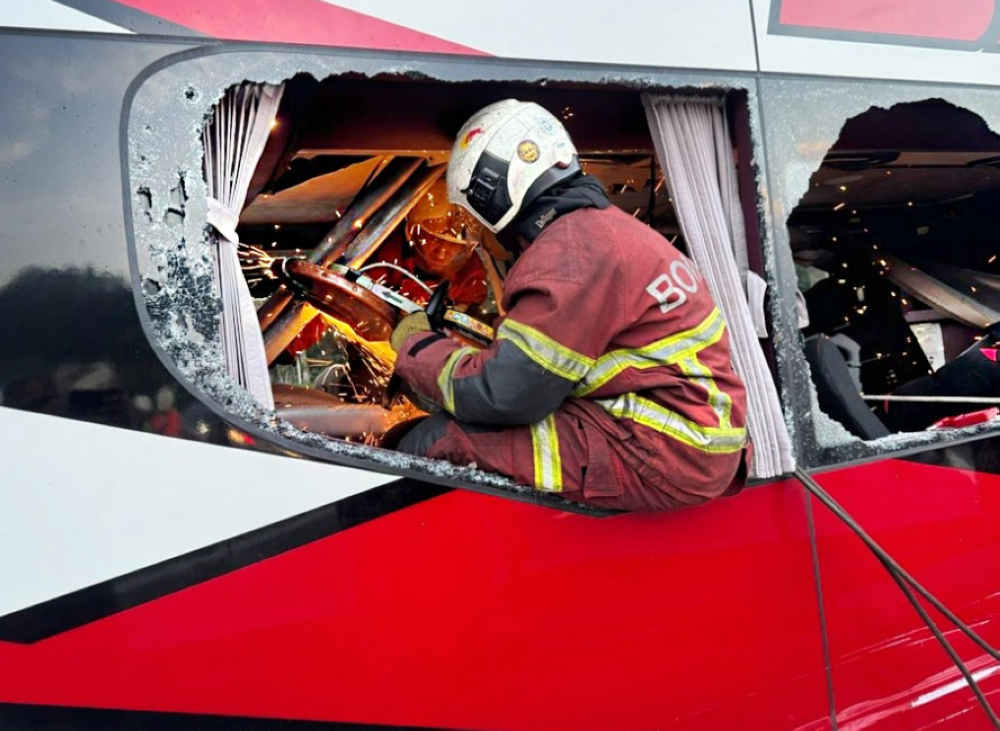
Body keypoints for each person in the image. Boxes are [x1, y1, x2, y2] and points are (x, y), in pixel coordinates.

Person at [390, 99, 750, 512]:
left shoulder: (569, 252)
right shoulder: (607, 230)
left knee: (437, 441)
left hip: (661, 452)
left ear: (494, 190)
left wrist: (417, 347)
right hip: (684, 440)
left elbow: (505, 395)